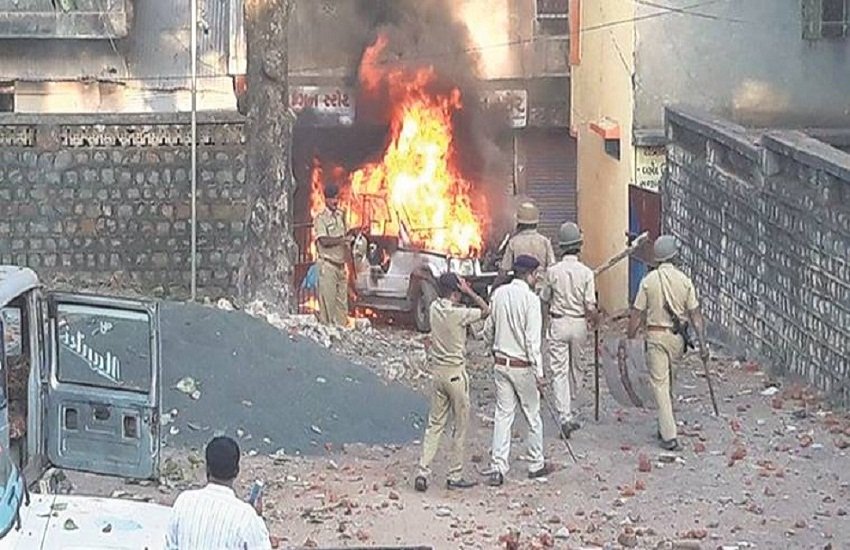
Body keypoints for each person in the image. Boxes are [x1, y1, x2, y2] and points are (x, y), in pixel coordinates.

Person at [624, 235, 709, 451]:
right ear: (674, 256)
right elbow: (696, 315)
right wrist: (702, 344)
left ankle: (669, 436)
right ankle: (664, 426)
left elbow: (637, 314)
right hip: (677, 340)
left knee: (660, 385)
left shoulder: (648, 281)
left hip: (656, 336)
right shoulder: (685, 280)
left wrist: (630, 336)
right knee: (669, 382)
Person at [415, 273, 490, 492]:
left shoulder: (434, 309)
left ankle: (423, 471)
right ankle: (454, 474)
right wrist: (470, 292)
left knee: (434, 425)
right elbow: (486, 311)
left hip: (437, 373)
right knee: (460, 426)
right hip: (456, 374)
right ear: (456, 293)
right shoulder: (459, 314)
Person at [482, 255, 548, 486]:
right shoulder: (531, 301)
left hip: (501, 363)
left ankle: (498, 467)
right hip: (523, 367)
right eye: (536, 274)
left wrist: (491, 348)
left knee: (503, 415)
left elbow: (488, 329)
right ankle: (536, 464)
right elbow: (532, 342)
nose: (537, 278)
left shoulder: (498, 294)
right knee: (532, 415)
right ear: (529, 275)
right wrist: (539, 374)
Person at [165, 436, 271, 550]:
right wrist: (257, 518)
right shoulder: (247, 517)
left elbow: (170, 546)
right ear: (236, 471)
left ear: (207, 468)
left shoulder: (184, 502)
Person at [543, 222, 599, 439]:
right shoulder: (586, 273)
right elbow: (590, 306)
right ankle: (571, 407)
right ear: (579, 246)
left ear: (561, 246)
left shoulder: (552, 271)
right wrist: (595, 320)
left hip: (558, 323)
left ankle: (564, 415)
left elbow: (545, 298)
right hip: (578, 324)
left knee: (559, 371)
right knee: (577, 368)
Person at [494, 201, 556, 291]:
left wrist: (494, 288)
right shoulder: (545, 242)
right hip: (541, 291)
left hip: (520, 290)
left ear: (519, 223)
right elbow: (552, 269)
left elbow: (504, 271)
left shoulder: (513, 242)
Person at [314, 183, 351, 326]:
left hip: (341, 267)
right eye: (332, 199)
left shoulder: (341, 216)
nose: (336, 201)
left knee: (342, 308)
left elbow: (347, 235)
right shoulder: (321, 219)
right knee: (327, 308)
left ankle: (341, 332)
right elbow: (323, 241)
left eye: (337, 198)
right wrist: (341, 240)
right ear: (326, 200)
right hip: (328, 267)